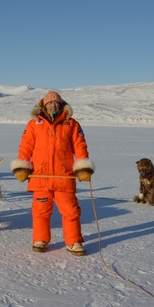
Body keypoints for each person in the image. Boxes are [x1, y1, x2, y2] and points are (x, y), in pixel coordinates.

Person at [10, 91, 95, 256]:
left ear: (61, 104)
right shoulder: (34, 124)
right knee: (40, 210)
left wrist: (83, 167)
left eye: (56, 103)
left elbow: (80, 146)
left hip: (64, 176)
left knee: (71, 210)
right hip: (40, 176)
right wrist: (22, 167)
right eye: (49, 103)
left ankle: (74, 241)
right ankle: (40, 240)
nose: (52, 105)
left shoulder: (71, 124)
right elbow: (26, 147)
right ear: (43, 105)